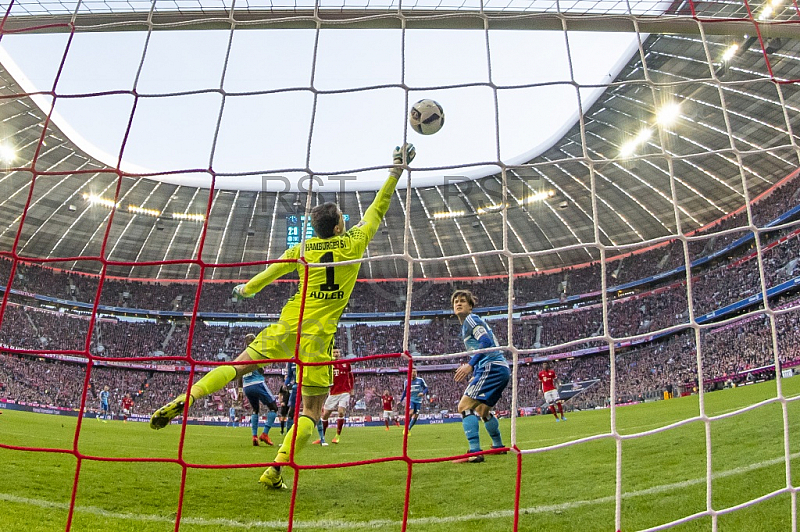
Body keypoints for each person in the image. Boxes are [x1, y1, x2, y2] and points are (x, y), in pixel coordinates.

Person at [149, 144, 416, 490]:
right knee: (311, 412)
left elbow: (267, 276)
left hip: (288, 325)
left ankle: (191, 396)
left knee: (238, 365)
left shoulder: (301, 249)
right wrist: (395, 170)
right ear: (338, 228)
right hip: (319, 340)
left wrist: (245, 290)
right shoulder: (354, 241)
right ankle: (275, 468)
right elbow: (377, 209)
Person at [451, 289, 510, 463]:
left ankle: (474, 452)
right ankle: (498, 446)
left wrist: (471, 365)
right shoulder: (467, 324)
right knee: (482, 410)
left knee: (464, 407)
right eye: (456, 302)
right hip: (500, 369)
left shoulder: (471, 319)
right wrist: (476, 371)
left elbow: (486, 343)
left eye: (463, 301)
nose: (459, 303)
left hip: (491, 367)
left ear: (470, 307)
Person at [238, 333, 280, 446]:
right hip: (257, 383)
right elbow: (261, 371)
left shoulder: (242, 355)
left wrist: (240, 390)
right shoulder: (256, 353)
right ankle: (265, 434)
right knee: (274, 408)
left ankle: (254, 436)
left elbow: (239, 373)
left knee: (255, 410)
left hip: (247, 387)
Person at [313, 348, 353, 445]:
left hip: (344, 392)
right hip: (333, 392)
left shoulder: (346, 363)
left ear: (340, 353)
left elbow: (351, 376)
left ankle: (337, 436)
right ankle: (322, 438)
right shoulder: (328, 364)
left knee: (340, 411)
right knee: (325, 415)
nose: (336, 354)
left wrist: (352, 389)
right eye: (334, 352)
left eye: (337, 352)